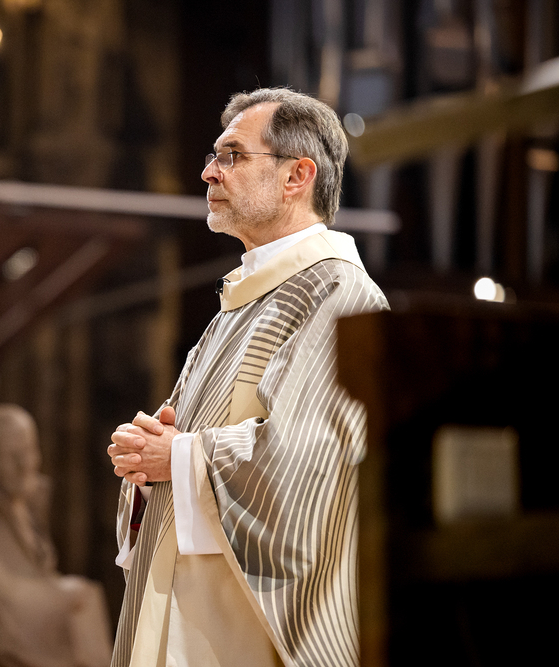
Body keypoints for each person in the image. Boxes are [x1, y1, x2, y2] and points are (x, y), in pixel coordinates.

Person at [105, 88, 388, 667]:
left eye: (232, 155)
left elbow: (310, 463)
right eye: (214, 156)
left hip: (245, 633)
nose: (209, 172)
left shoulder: (337, 292)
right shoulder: (241, 304)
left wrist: (177, 456)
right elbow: (188, 454)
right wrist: (148, 463)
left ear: (297, 176)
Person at [0, 404, 113, 667]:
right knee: (81, 597)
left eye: (29, 451)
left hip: (29, 599)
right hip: (5, 618)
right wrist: (62, 597)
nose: (25, 465)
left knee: (83, 595)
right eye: (11, 456)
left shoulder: (15, 503)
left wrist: (35, 514)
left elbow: (42, 566)